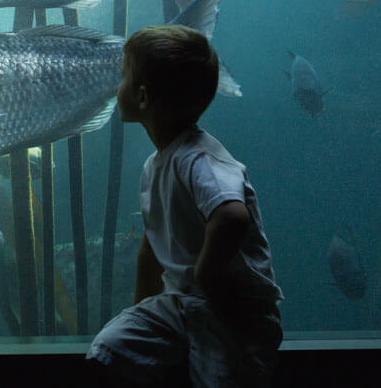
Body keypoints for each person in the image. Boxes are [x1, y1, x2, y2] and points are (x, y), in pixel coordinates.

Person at [87, 24, 283, 386]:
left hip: (233, 311)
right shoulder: (156, 164)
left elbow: (231, 216)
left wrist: (206, 278)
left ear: (143, 97)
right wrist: (140, 309)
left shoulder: (199, 159)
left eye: (123, 77)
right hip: (181, 305)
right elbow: (152, 245)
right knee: (110, 349)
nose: (117, 86)